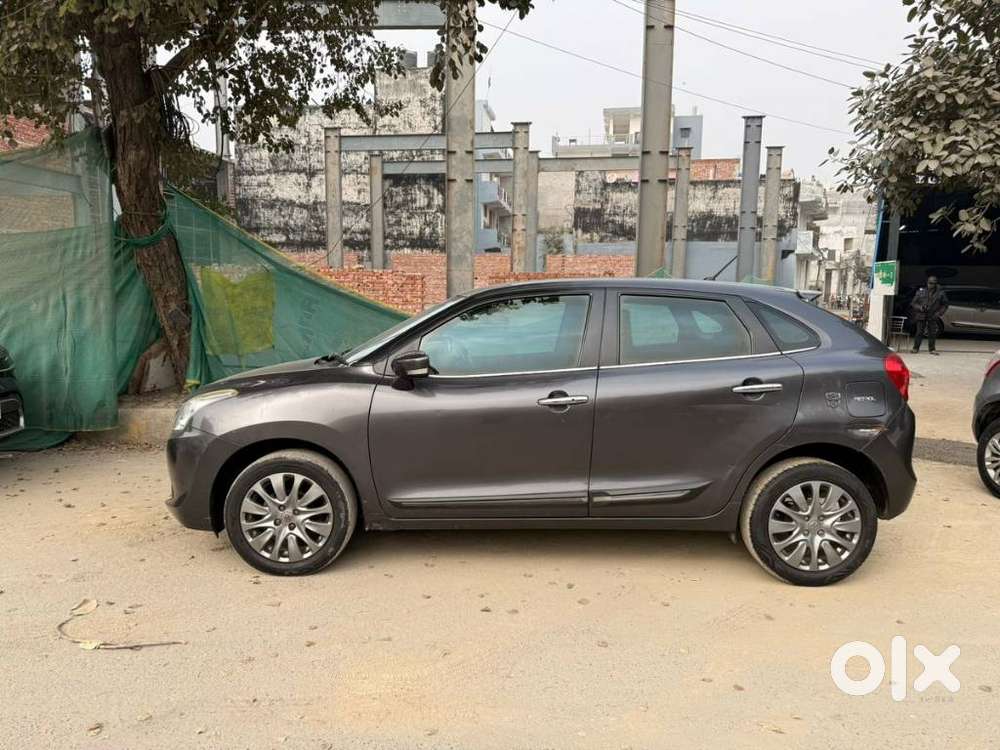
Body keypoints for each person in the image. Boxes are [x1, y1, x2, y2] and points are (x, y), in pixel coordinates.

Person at [909, 276, 949, 355]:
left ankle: (932, 349)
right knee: (919, 332)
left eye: (933, 283)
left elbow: (945, 305)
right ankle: (915, 348)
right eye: (930, 283)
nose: (931, 285)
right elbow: (913, 303)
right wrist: (920, 307)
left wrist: (939, 313)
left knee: (932, 333)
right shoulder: (920, 292)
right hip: (921, 314)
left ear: (936, 284)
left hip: (933, 314)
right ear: (927, 283)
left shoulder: (940, 293)